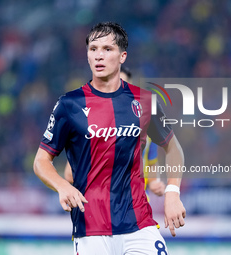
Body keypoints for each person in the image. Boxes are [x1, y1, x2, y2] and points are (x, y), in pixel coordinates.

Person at [33, 22, 185, 255]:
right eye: (93, 49)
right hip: (90, 228)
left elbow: (173, 148)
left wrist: (172, 194)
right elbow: (41, 161)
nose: (99, 56)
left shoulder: (146, 102)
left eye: (107, 49)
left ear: (122, 56)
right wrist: (62, 186)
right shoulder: (69, 105)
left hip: (139, 224)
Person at [64, 66, 166, 197]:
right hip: (103, 207)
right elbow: (69, 174)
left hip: (137, 205)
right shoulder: (90, 127)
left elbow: (151, 162)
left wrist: (153, 183)